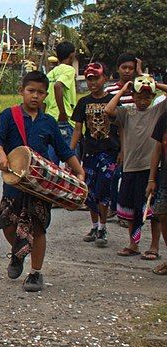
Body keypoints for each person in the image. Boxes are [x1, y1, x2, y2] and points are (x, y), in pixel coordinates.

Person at [0, 71, 85, 292]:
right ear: (21, 91)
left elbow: (63, 150)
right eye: (31, 91)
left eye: (40, 93)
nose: (35, 96)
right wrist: (1, 155)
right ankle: (18, 253)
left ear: (46, 95)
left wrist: (79, 172)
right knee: (7, 225)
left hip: (41, 186)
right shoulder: (8, 115)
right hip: (14, 183)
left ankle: (35, 273)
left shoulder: (48, 122)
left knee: (38, 229)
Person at [105, 75, 167, 259]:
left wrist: (155, 84)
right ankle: (134, 243)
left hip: (150, 168)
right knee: (131, 210)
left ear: (152, 97)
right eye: (139, 97)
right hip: (130, 166)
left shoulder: (157, 110)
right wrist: (123, 90)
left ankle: (154, 247)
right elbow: (108, 109)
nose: (142, 101)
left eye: (147, 97)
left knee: (152, 211)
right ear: (133, 97)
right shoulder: (127, 113)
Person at [71, 62, 120, 247]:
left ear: (104, 79)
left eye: (96, 78)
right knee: (89, 192)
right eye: (89, 79)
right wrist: (70, 154)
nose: (92, 83)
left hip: (109, 153)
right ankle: (94, 226)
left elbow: (122, 126)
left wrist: (122, 150)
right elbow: (77, 129)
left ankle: (103, 227)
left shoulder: (113, 100)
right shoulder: (83, 102)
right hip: (89, 153)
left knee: (104, 190)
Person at [105, 53, 142, 217]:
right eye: (124, 67)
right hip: (113, 139)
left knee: (127, 176)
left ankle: (126, 209)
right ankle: (114, 207)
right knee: (113, 175)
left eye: (131, 68)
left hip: (134, 139)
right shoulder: (109, 90)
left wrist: (141, 75)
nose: (127, 71)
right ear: (117, 68)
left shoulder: (139, 90)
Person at [44, 41, 77, 164]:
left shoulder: (50, 74)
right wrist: (62, 112)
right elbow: (58, 86)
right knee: (73, 163)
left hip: (51, 119)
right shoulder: (69, 70)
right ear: (72, 55)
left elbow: (44, 99)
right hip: (66, 119)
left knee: (52, 164)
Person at [146, 111, 167, 275]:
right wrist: (152, 179)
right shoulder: (165, 117)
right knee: (162, 215)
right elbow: (157, 149)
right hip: (165, 177)